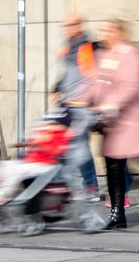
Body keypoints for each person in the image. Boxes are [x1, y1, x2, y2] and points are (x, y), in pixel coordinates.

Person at [86, 18, 139, 229]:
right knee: (113, 166)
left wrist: (109, 104)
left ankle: (117, 213)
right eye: (103, 30)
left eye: (108, 30)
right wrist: (83, 100)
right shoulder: (103, 55)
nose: (104, 34)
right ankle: (117, 213)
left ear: (118, 33)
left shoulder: (129, 54)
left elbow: (131, 86)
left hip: (126, 120)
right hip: (108, 121)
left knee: (116, 164)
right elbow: (95, 83)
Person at [0, 112, 73, 207]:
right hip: (32, 162)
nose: (49, 124)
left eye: (53, 123)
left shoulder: (61, 135)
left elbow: (56, 151)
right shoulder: (45, 131)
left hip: (45, 165)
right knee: (5, 165)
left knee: (15, 171)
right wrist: (24, 144)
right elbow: (32, 142)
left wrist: (42, 143)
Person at [51, 13, 100, 202]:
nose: (66, 29)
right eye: (64, 26)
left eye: (70, 25)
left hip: (82, 106)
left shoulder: (89, 47)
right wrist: (56, 88)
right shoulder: (68, 47)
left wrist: (92, 101)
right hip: (67, 104)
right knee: (63, 146)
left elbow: (94, 76)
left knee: (80, 147)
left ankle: (91, 188)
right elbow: (66, 74)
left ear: (79, 26)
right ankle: (71, 186)